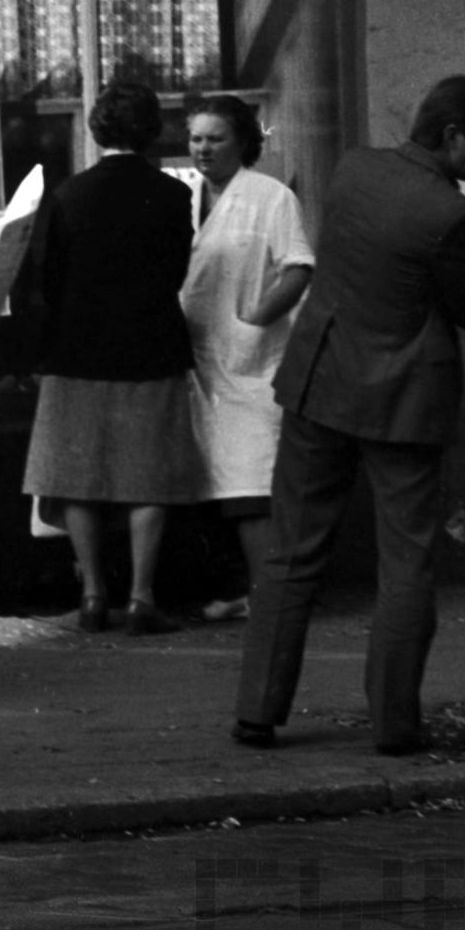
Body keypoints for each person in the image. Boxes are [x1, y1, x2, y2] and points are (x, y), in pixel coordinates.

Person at [232, 75, 465, 756]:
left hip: (322, 380)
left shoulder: (353, 169)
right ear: (452, 135)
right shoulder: (450, 215)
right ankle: (394, 725)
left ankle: (256, 711)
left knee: (291, 551)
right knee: (406, 561)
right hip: (403, 401)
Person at [22, 82, 199, 636]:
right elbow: (176, 274)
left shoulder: (68, 196)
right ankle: (143, 598)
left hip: (77, 351)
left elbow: (44, 281)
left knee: (78, 476)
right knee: (148, 476)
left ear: (98, 129)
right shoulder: (173, 196)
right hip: (151, 347)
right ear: (151, 131)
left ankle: (94, 595)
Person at [179, 94, 314, 623]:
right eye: (195, 138)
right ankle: (250, 590)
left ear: (242, 141)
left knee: (252, 485)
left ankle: (272, 595)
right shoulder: (188, 197)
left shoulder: (270, 197)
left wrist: (255, 319)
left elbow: (299, 267)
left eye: (215, 138)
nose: (203, 149)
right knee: (220, 484)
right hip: (200, 360)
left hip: (254, 362)